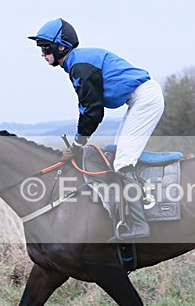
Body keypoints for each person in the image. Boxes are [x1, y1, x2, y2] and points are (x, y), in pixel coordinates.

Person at [29, 18, 164, 242]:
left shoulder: (80, 66)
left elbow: (92, 111)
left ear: (61, 47)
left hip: (145, 99)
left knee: (123, 162)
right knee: (117, 154)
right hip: (138, 99)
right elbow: (89, 109)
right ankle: (126, 213)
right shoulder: (77, 63)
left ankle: (140, 224)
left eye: (45, 48)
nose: (42, 54)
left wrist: (77, 145)